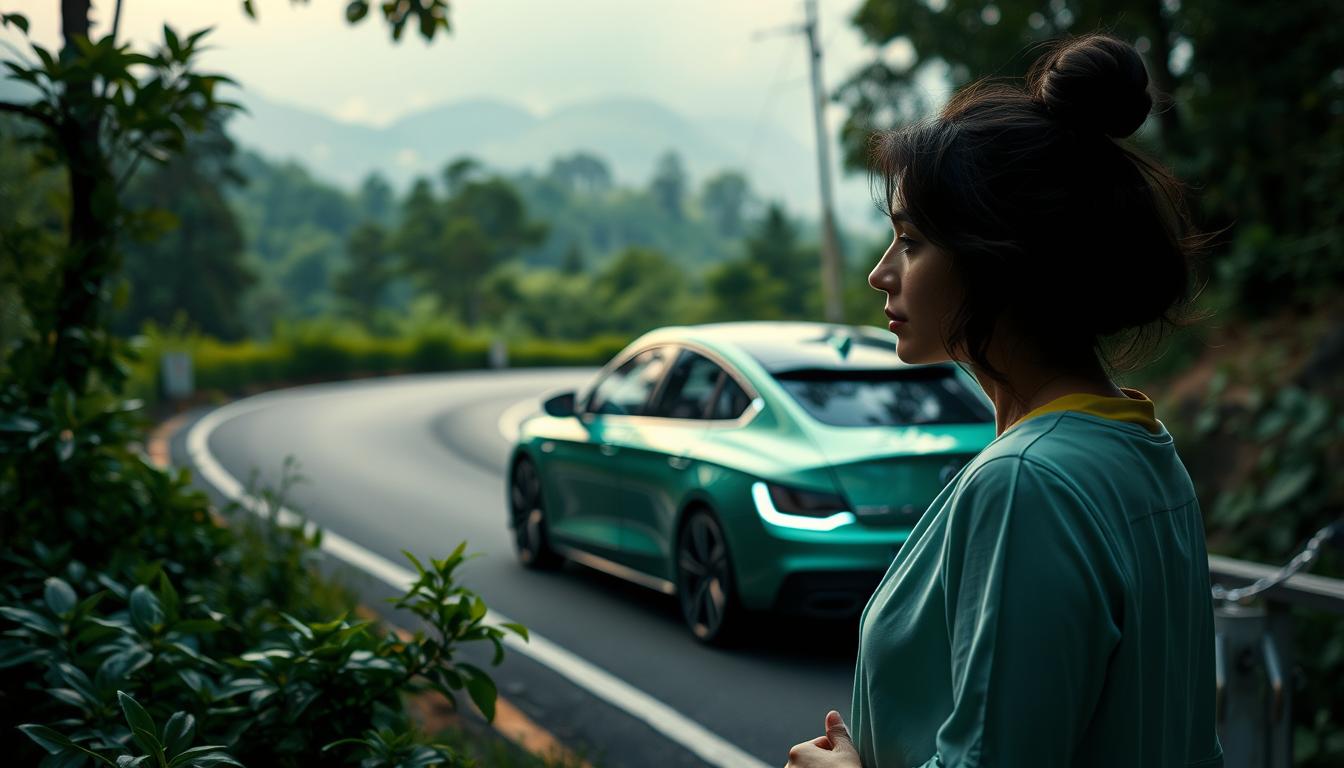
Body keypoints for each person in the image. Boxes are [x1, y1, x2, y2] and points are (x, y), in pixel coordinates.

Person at [785, 32, 1223, 768]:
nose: (880, 274)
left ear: (997, 259)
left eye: (911, 241)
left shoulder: (1028, 483)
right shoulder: (1145, 452)